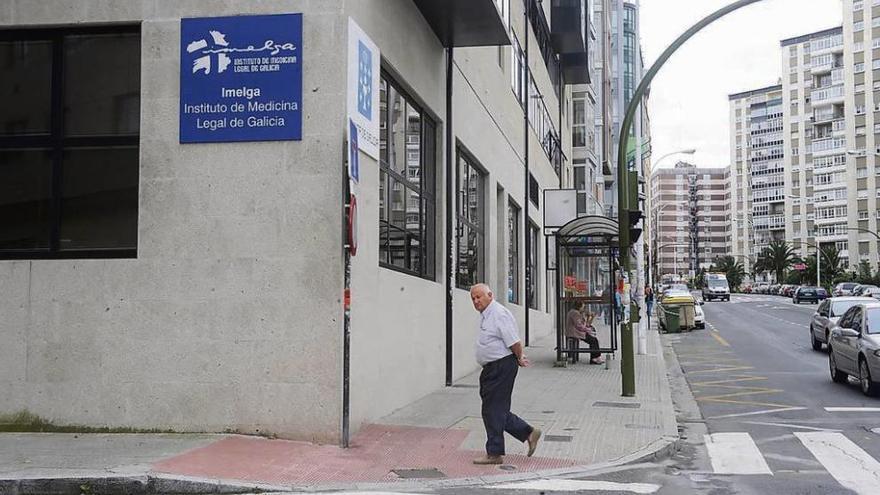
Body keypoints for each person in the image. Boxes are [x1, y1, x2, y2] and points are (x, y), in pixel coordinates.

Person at [470, 283, 542, 465]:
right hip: (493, 367)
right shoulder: (487, 315)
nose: (476, 301)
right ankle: (528, 432)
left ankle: (494, 453)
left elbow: (514, 340)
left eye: (479, 297)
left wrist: (519, 356)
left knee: (492, 409)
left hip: (501, 366)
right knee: (495, 409)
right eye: (473, 298)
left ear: (490, 295)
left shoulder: (498, 314)